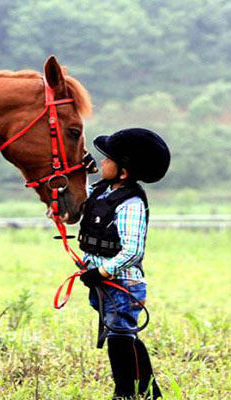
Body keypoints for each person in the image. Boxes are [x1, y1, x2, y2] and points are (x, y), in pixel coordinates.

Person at [78, 128, 170, 399]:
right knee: (123, 335)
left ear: (124, 171)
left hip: (120, 282)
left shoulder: (130, 203)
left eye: (108, 160)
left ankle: (125, 392)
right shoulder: (104, 190)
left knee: (119, 338)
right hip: (103, 281)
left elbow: (132, 250)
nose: (102, 162)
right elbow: (84, 201)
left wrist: (102, 271)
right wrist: (84, 173)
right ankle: (150, 390)